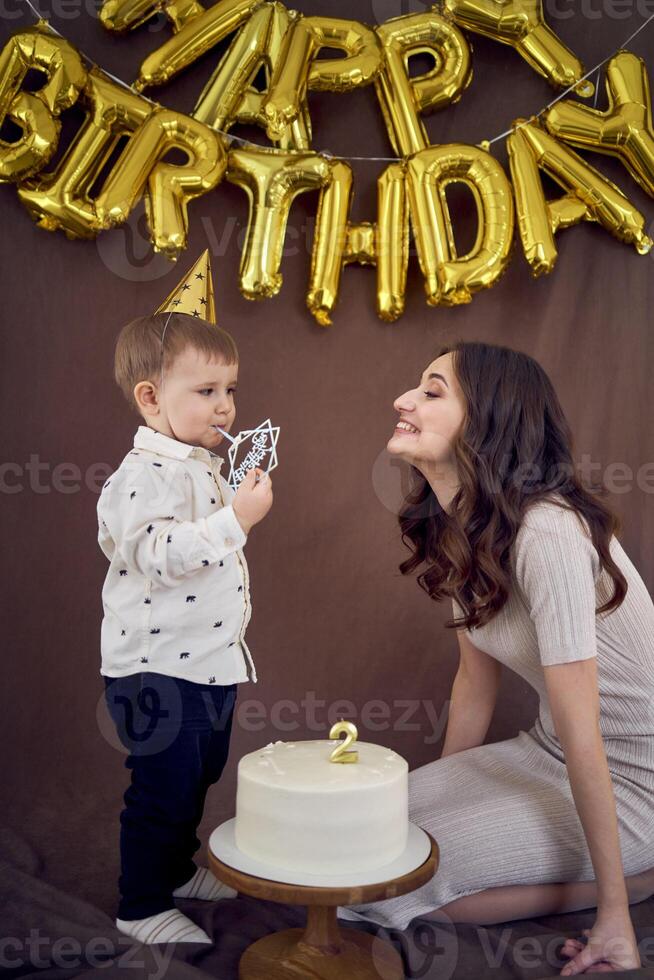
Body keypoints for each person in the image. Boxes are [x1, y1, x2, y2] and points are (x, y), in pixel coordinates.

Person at [338, 340, 654, 975]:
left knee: (393, 886)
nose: (403, 400)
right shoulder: (464, 528)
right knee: (359, 834)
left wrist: (615, 920)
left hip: (634, 783)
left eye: (432, 391)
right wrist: (446, 791)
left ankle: (629, 882)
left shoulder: (549, 533)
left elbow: (583, 726)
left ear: (487, 422)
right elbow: (473, 681)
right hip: (543, 753)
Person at [97, 312, 273, 944]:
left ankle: (174, 870)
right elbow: (160, 553)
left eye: (229, 391)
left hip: (209, 661)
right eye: (206, 392)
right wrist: (238, 521)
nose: (225, 407)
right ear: (151, 397)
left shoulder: (200, 466)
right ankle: (140, 905)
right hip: (155, 667)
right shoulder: (140, 477)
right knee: (162, 786)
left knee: (199, 774)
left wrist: (234, 498)